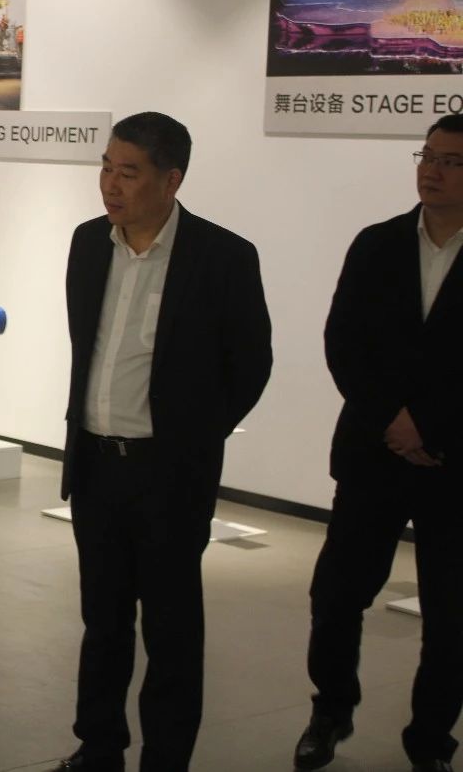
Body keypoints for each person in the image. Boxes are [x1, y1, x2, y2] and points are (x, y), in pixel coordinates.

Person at [50, 112, 272, 772]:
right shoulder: (89, 243)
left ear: (171, 179)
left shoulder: (223, 257)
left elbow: (250, 365)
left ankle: (166, 758)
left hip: (168, 474)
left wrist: (191, 438)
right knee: (103, 620)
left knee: (172, 628)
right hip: (96, 465)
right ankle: (98, 746)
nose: (110, 185)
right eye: (106, 167)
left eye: (128, 172)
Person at [292, 115, 463, 772]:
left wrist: (430, 426)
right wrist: (392, 419)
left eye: (451, 161)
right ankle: (330, 710)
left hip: (453, 462)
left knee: (452, 617)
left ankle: (431, 739)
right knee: (337, 596)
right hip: (372, 453)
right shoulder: (377, 244)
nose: (432, 170)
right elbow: (344, 342)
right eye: (428, 156)